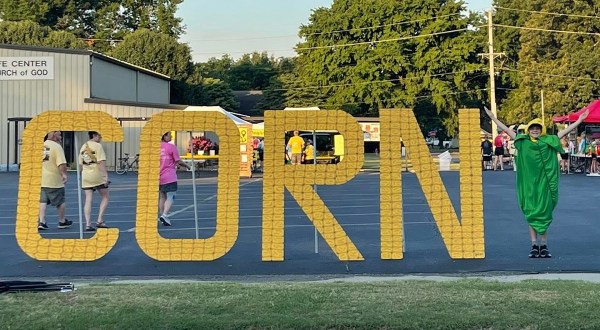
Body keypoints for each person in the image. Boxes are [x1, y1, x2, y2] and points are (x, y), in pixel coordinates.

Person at [484, 107, 588, 258]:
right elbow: (506, 130)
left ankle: (544, 245)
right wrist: (493, 117)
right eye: (532, 128)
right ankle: (534, 245)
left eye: (537, 128)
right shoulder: (522, 142)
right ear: (528, 130)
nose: (534, 130)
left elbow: (563, 133)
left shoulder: (548, 140)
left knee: (544, 212)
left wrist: (579, 121)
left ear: (542, 130)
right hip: (529, 184)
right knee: (532, 211)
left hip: (544, 183)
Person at [39, 131, 73, 230]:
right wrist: (64, 174)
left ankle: (42, 221)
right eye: (59, 135)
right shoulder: (57, 147)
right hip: (54, 179)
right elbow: (61, 163)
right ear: (53, 135)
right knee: (60, 201)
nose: (61, 137)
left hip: (42, 179)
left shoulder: (42, 146)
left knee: (42, 201)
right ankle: (62, 221)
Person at [158, 131, 190, 226]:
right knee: (171, 195)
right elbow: (178, 160)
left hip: (159, 176)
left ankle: (161, 215)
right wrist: (188, 166)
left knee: (162, 196)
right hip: (169, 176)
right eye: (169, 134)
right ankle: (165, 214)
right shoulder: (171, 147)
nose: (171, 136)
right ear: (164, 136)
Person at [79, 131, 109, 231]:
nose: (100, 138)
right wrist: (105, 176)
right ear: (94, 136)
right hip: (96, 175)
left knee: (88, 199)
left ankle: (88, 224)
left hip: (86, 175)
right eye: (99, 136)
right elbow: (100, 162)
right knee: (105, 196)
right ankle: (100, 220)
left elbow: (81, 164)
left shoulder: (84, 146)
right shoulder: (97, 146)